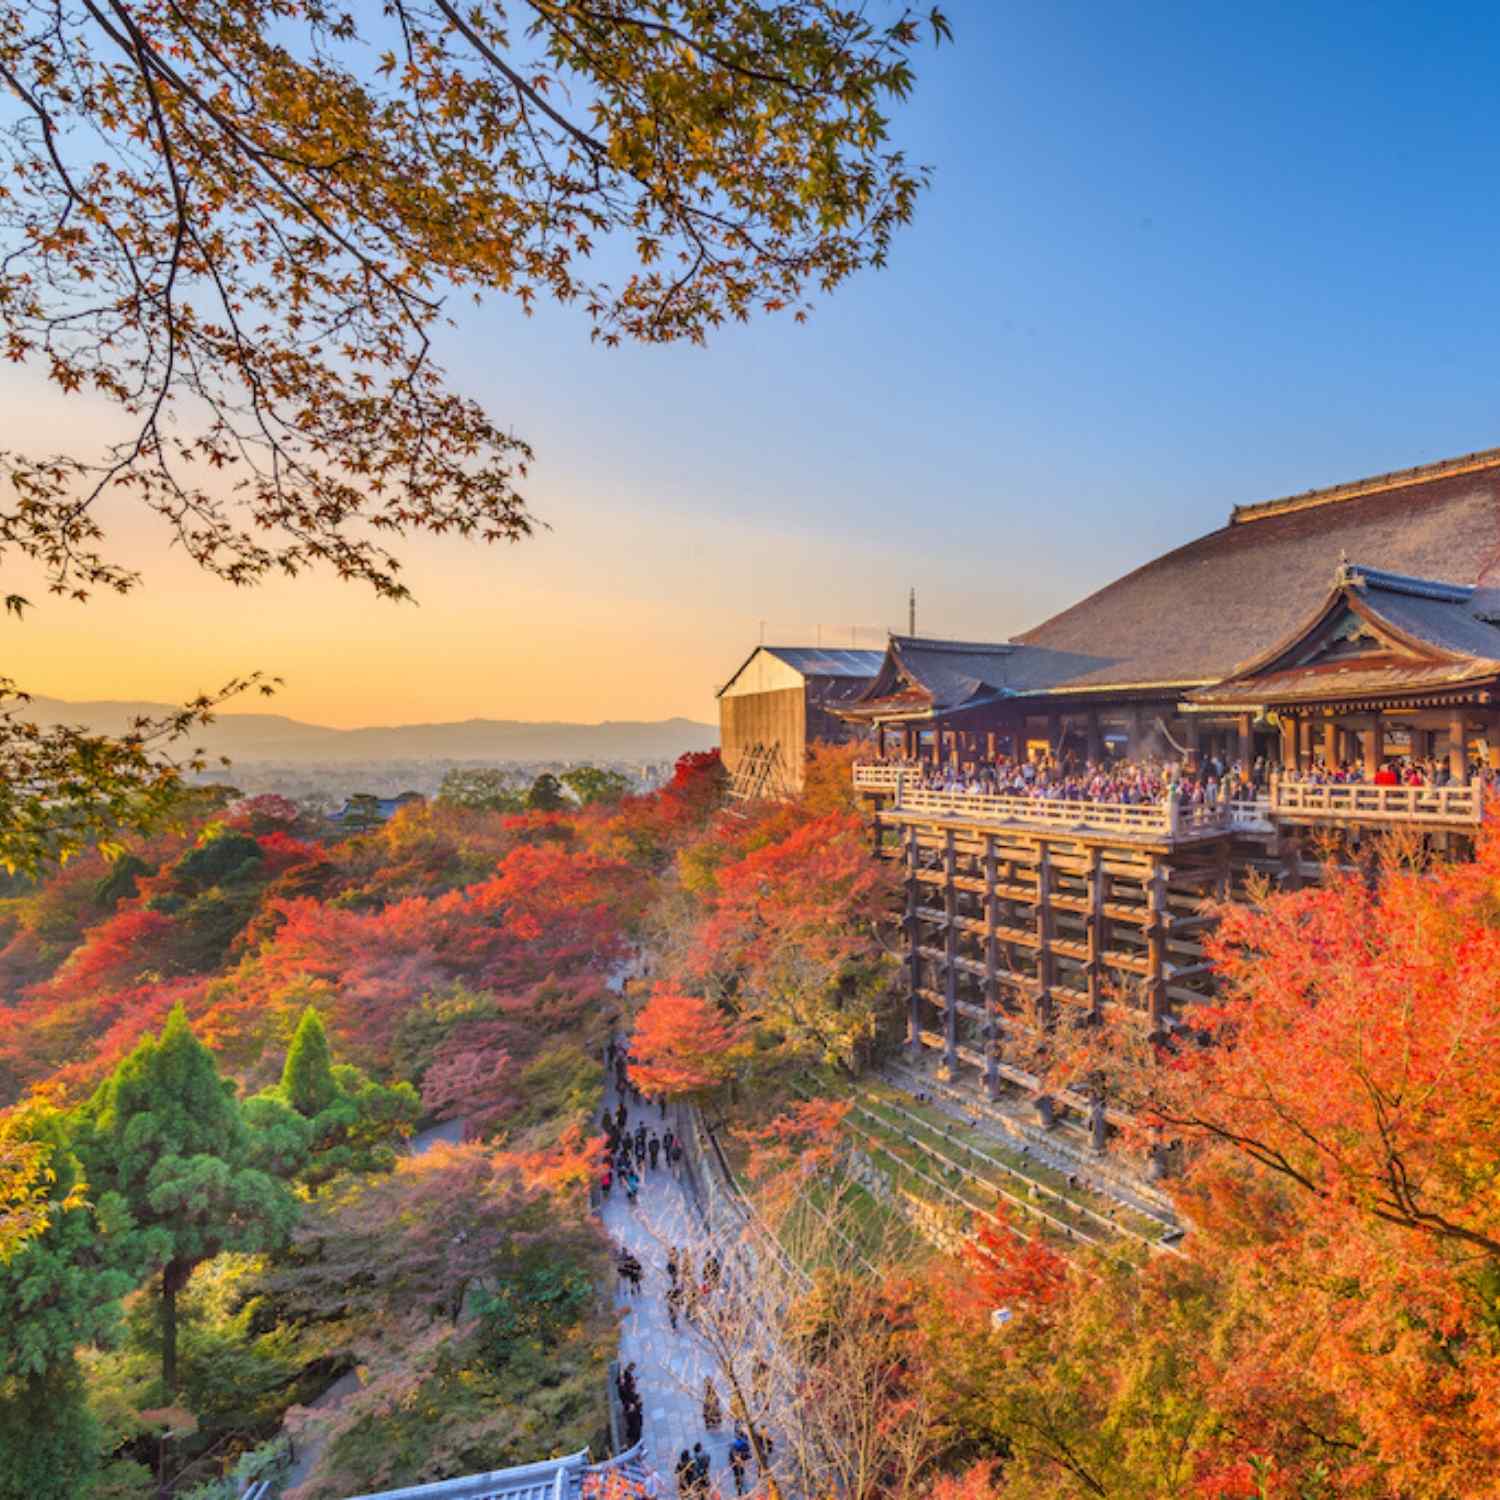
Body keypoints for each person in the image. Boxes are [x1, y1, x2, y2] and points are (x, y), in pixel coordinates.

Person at [728, 1429, 750, 1496]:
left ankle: (740, 1491)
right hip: (739, 1464)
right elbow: (746, 1452)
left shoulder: (735, 1446)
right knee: (741, 1477)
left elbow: (731, 1458)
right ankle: (744, 1491)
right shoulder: (743, 1443)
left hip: (736, 1465)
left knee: (738, 1477)